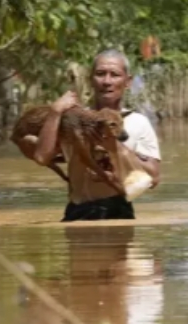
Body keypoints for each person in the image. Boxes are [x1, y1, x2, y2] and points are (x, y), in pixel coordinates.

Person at [30, 50, 162, 222]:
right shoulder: (72, 118)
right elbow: (41, 157)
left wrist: (115, 145)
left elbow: (154, 179)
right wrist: (55, 113)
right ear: (90, 79)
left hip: (119, 209)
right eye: (100, 74)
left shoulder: (138, 122)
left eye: (114, 75)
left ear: (128, 81)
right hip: (78, 209)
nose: (107, 81)